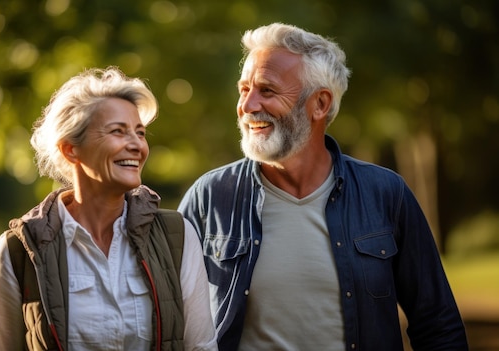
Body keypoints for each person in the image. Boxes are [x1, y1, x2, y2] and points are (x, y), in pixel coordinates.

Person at [178, 23, 468, 351]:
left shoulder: (386, 194)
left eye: (267, 90)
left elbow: (438, 324)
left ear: (320, 104)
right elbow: (168, 318)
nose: (247, 106)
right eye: (244, 89)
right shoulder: (209, 197)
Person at [0, 67, 218, 351]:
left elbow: (200, 347)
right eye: (118, 131)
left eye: (140, 133)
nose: (136, 145)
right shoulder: (20, 251)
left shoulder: (176, 235)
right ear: (71, 149)